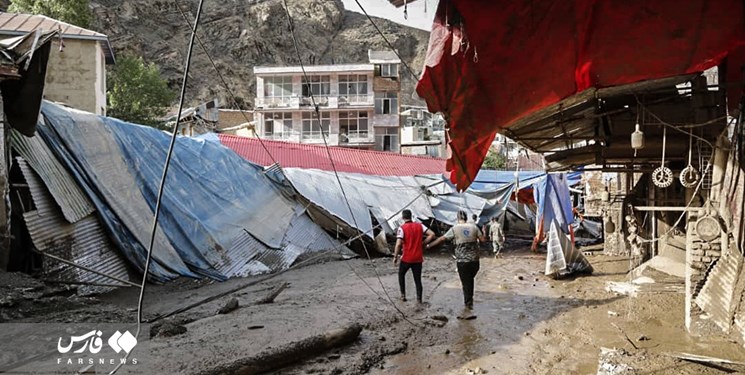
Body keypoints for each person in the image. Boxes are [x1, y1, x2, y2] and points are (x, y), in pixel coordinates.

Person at [428, 210, 486, 311]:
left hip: (462, 262)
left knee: (466, 283)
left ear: (457, 218)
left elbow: (442, 239)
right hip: (475, 261)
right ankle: (469, 301)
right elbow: (483, 240)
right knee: (470, 280)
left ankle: (468, 305)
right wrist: (484, 231)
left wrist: (429, 245)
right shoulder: (474, 227)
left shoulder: (454, 229)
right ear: (466, 218)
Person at [393, 209, 436, 303]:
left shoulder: (402, 228)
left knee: (401, 274)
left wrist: (395, 256)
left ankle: (403, 295)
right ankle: (419, 299)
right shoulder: (420, 226)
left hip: (406, 258)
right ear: (411, 216)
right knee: (417, 279)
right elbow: (432, 234)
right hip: (418, 258)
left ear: (403, 217)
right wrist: (423, 243)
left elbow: (398, 244)